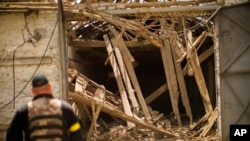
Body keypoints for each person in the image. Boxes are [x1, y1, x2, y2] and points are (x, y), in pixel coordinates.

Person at [6, 74, 83, 141]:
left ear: (33, 91)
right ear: (50, 87)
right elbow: (76, 132)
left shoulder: (23, 111)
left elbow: (13, 136)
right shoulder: (65, 108)